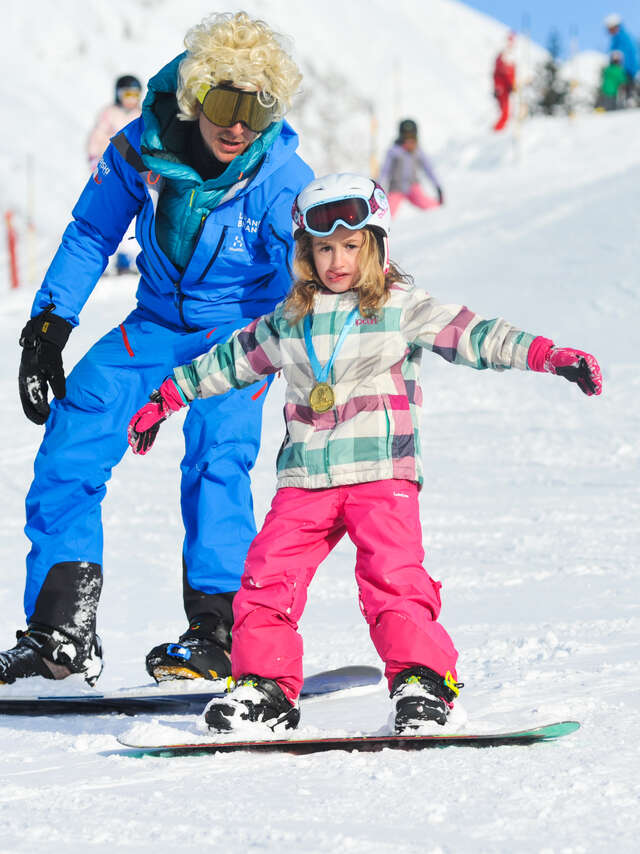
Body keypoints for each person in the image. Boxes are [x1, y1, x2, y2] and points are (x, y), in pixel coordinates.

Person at [127, 173, 603, 735]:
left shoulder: (401, 307)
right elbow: (229, 360)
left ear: (374, 245)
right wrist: (167, 396)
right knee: (266, 576)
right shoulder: (289, 320)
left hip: (380, 472)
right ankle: (263, 688)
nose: (338, 261)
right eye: (324, 248)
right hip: (305, 477)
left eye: (350, 246)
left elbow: (476, 335)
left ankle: (423, 682)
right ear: (306, 253)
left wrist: (549, 355)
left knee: (392, 578)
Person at [1, 12, 313, 688]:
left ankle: (219, 629)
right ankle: (60, 632)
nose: (239, 127)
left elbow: (310, 276)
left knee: (219, 452)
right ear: (196, 96)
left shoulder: (282, 178)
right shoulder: (141, 147)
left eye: (257, 111)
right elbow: (92, 232)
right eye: (225, 105)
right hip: (156, 321)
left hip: (238, 328)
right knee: (74, 433)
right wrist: (49, 325)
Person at [87, 75, 143, 275]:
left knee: (132, 214)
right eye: (126, 94)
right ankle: (96, 258)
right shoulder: (109, 114)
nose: (130, 99)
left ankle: (125, 258)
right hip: (112, 169)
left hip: (133, 171)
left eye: (134, 95)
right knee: (108, 213)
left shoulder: (141, 115)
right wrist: (95, 161)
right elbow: (97, 138)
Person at [378, 119, 443, 218]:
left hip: (412, 186)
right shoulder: (394, 151)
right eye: (406, 137)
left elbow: (429, 169)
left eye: (411, 137)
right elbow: (384, 171)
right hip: (396, 188)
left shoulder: (417, 151)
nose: (409, 141)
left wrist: (438, 186)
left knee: (432, 207)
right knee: (386, 214)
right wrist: (378, 187)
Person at [603, 13, 639, 101]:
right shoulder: (619, 37)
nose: (609, 31)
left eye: (610, 29)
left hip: (628, 68)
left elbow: (623, 54)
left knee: (628, 85)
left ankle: (629, 99)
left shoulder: (622, 38)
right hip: (626, 68)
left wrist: (616, 62)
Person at [493, 32, 516, 131]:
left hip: (507, 88)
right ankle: (497, 130)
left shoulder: (511, 59)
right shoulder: (502, 58)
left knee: (508, 111)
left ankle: (500, 129)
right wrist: (498, 87)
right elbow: (499, 74)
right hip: (503, 89)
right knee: (504, 111)